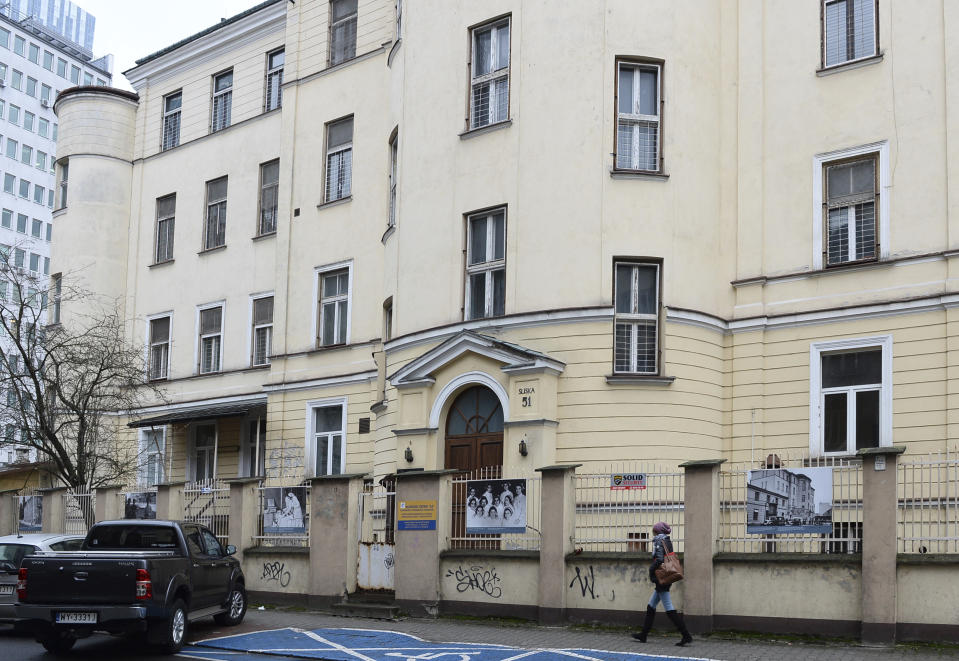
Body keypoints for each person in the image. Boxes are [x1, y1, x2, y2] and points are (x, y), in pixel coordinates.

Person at [632, 521, 692, 646]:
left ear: (658, 531)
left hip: (662, 578)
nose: (653, 532)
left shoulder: (659, 541)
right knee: (651, 606)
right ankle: (644, 634)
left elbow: (659, 559)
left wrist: (651, 569)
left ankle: (686, 635)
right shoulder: (667, 540)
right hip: (666, 577)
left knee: (668, 607)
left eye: (654, 530)